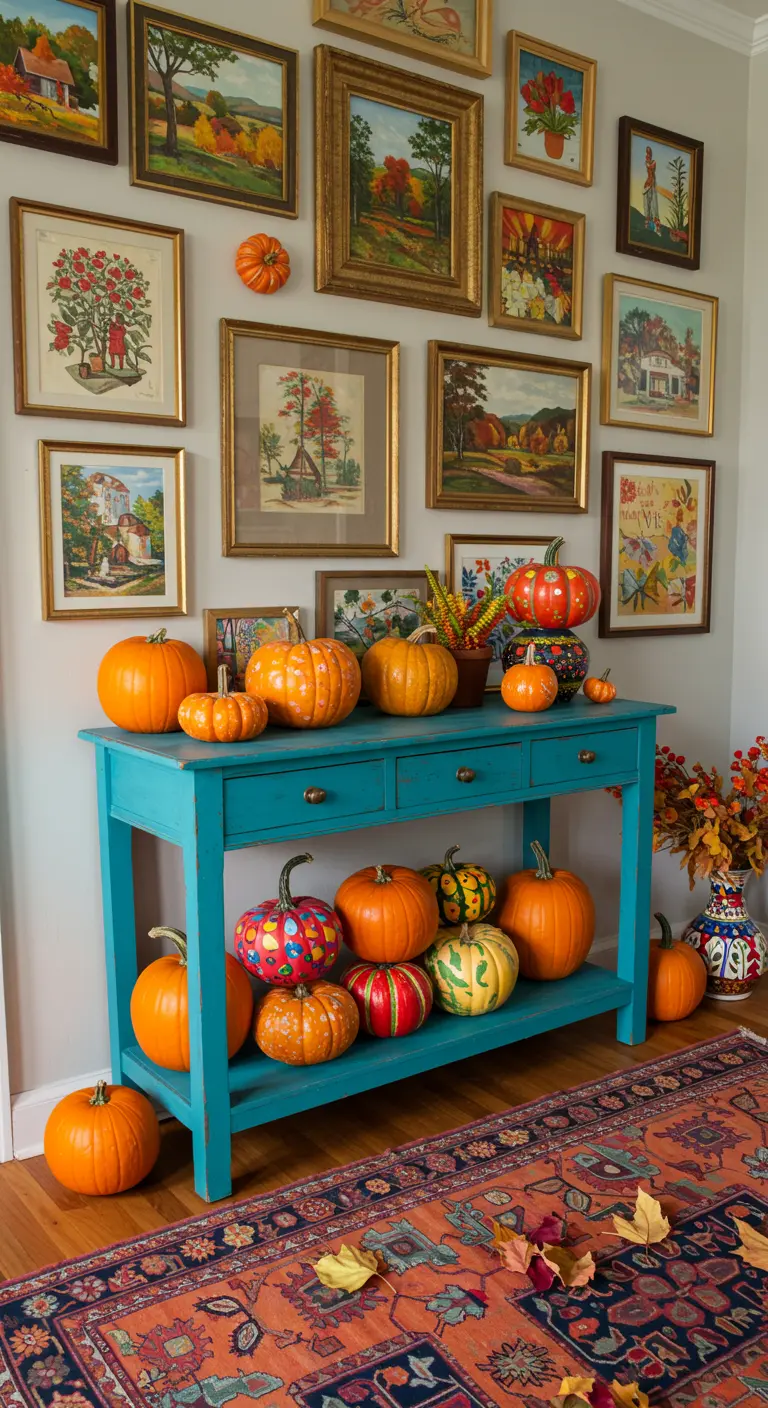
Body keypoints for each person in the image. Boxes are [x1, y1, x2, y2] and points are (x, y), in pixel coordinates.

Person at [643, 145, 661, 234]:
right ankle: (648, 226)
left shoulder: (653, 162)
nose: (647, 155)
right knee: (647, 205)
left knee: (654, 204)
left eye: (648, 153)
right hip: (648, 185)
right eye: (647, 153)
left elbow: (651, 166)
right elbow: (648, 166)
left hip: (652, 184)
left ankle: (656, 228)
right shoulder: (647, 162)